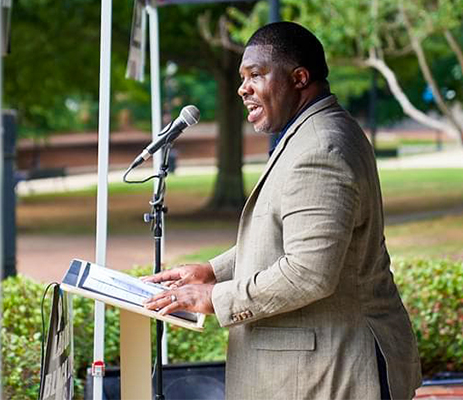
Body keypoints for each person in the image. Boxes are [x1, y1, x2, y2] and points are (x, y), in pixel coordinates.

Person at [144, 22, 422, 399]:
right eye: (242, 77)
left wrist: (214, 297)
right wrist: (212, 270)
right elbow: (284, 234)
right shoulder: (308, 134)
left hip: (335, 371)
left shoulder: (321, 148)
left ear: (299, 78)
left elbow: (309, 272)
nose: (243, 88)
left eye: (256, 75)